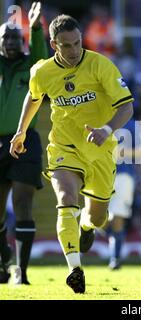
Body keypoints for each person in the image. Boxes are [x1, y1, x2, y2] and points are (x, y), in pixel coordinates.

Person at [9, 14, 134, 294]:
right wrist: (21, 132)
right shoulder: (42, 72)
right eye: (66, 45)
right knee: (66, 199)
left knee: (98, 218)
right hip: (64, 148)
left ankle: (87, 227)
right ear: (54, 45)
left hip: (100, 150)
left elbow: (127, 107)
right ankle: (75, 270)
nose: (74, 49)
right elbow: (34, 96)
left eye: (78, 43)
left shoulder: (100, 64)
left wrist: (106, 129)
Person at [0, 1, 47, 285]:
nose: (10, 42)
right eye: (5, 37)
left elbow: (41, 58)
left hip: (25, 139)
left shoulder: (30, 65)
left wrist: (37, 27)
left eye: (15, 38)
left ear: (22, 41)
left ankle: (22, 271)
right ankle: (3, 261)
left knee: (22, 202)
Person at [103, 119, 137, 270]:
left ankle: (115, 258)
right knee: (97, 217)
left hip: (123, 175)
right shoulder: (97, 116)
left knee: (117, 217)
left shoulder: (131, 124)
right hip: (100, 174)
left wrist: (123, 152)